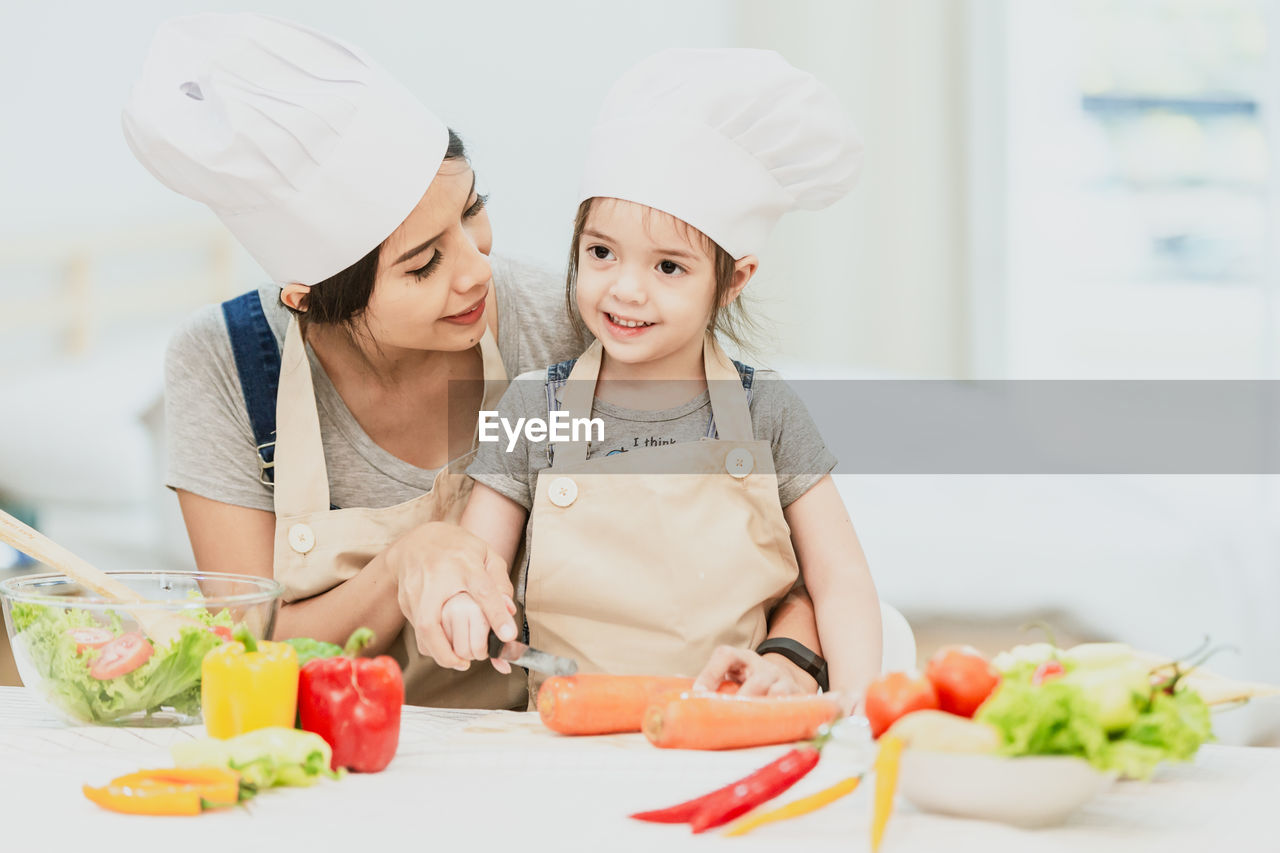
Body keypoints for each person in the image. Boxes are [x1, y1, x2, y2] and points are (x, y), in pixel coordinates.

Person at [123, 15, 825, 707]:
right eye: (425, 264)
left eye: (472, 209)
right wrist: (405, 562)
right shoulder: (228, 366)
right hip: (327, 754)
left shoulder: (571, 325)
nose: (475, 269)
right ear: (311, 300)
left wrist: (789, 654)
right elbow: (248, 649)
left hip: (530, 742)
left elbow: (758, 548)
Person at [442, 49, 884, 703]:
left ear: (734, 280)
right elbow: (474, 561)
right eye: (601, 253)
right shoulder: (536, 403)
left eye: (668, 267)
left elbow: (840, 578)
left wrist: (856, 712)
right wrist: (463, 602)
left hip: (728, 732)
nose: (625, 290)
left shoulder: (769, 411)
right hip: (564, 746)